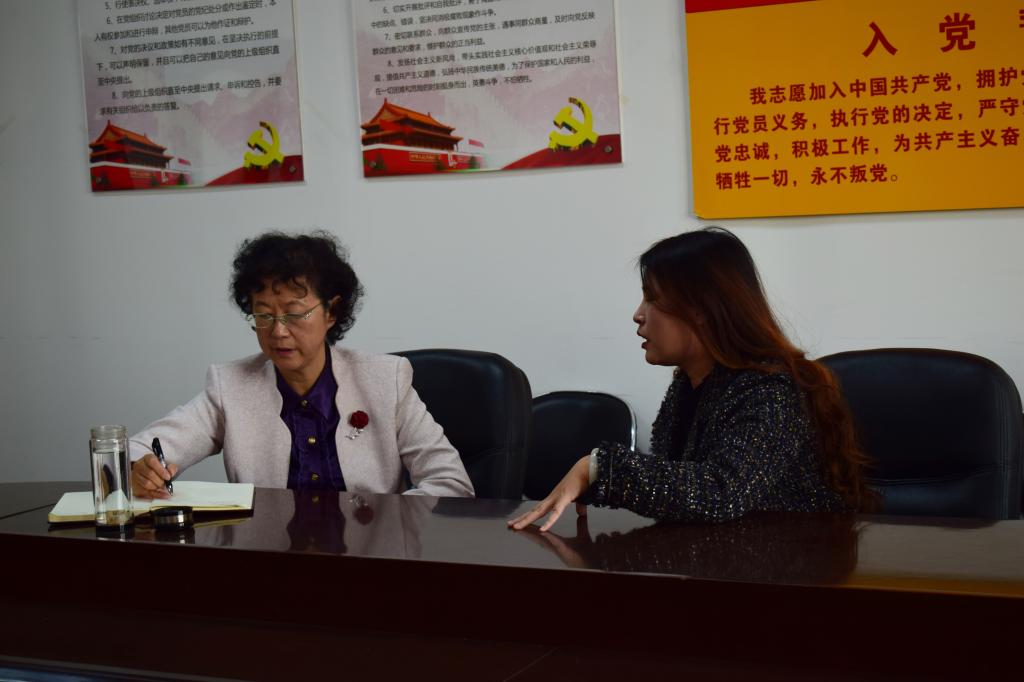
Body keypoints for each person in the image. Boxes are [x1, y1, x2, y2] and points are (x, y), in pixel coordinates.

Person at [509, 227, 873, 531]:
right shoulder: (690, 383)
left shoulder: (772, 391)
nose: (638, 315)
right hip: (724, 564)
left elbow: (720, 492)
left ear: (700, 309)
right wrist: (599, 479)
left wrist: (598, 468)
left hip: (789, 579)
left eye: (651, 299)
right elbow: (681, 492)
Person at [131, 230, 474, 499]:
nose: (278, 331)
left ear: (332, 312)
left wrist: (386, 526)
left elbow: (450, 482)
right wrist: (138, 469)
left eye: (294, 314)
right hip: (269, 557)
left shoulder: (386, 380)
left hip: (372, 556)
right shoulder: (231, 386)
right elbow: (137, 451)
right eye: (264, 315)